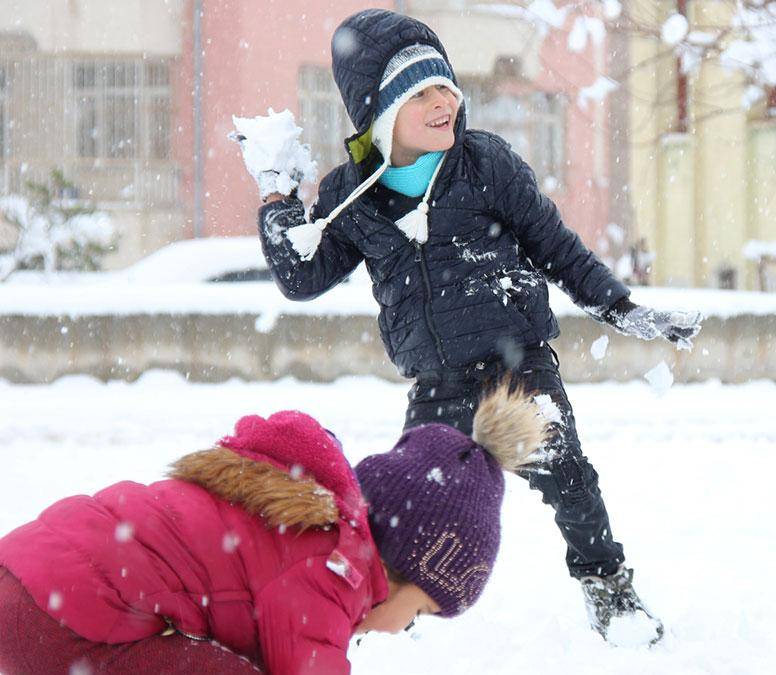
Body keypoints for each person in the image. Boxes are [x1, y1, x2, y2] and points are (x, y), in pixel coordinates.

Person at [246, 9, 701, 645]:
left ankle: (609, 590)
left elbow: (555, 246)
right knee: (402, 509)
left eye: (446, 87)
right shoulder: (351, 195)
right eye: (421, 93)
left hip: (518, 367)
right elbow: (301, 277)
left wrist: (621, 308)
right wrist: (276, 198)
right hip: (437, 381)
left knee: (570, 482)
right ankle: (381, 608)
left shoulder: (485, 164)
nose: (444, 103)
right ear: (379, 113)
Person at [0, 385, 546, 674]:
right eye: (423, 611)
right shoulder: (332, 570)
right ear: (399, 563)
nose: (404, 629)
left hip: (28, 581)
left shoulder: (308, 528)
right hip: (56, 623)